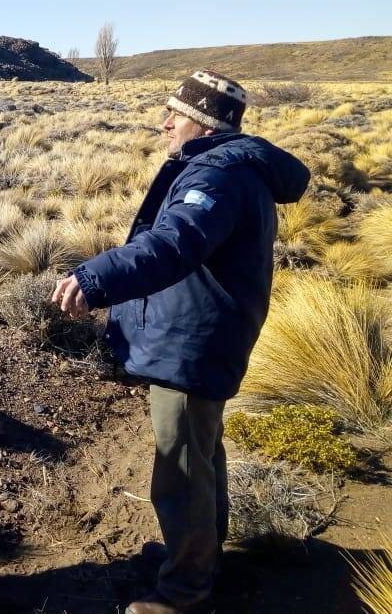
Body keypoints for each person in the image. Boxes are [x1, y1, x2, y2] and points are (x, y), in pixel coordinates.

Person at [52, 70, 310, 614]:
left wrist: (95, 277)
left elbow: (175, 243)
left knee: (181, 467)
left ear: (203, 123)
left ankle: (183, 592)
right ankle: (198, 559)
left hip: (195, 339)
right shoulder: (230, 168)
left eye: (176, 114)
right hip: (203, 332)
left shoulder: (215, 175)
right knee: (201, 453)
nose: (164, 123)